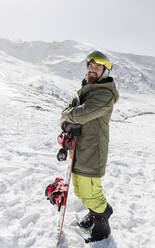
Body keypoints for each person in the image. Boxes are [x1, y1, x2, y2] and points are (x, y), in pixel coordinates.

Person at [60, 50, 119, 242]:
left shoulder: (104, 94)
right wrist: (68, 115)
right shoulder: (87, 89)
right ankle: (94, 213)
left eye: (97, 67)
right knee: (79, 188)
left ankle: (102, 222)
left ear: (105, 71)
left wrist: (68, 116)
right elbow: (68, 111)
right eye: (90, 66)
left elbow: (79, 114)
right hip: (80, 148)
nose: (92, 69)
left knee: (90, 191)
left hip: (93, 151)